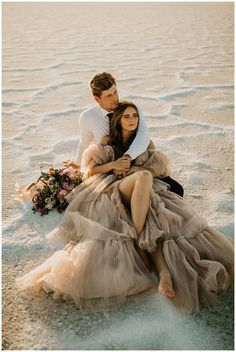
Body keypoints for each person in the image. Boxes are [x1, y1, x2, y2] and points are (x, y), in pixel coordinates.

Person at [16, 100, 233, 314]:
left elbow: (158, 168)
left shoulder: (145, 142)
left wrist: (133, 169)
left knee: (154, 215)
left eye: (135, 116)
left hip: (142, 186)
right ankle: (141, 242)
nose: (132, 120)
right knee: (143, 179)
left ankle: (163, 271)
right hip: (113, 187)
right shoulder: (108, 139)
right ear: (119, 120)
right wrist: (114, 166)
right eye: (127, 116)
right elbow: (90, 171)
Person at [73, 72, 184, 197]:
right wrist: (78, 166)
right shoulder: (88, 117)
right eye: (109, 95)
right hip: (107, 170)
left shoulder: (129, 108)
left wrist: (126, 159)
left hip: (135, 162)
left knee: (176, 190)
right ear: (97, 99)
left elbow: (143, 135)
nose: (115, 97)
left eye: (115, 92)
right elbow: (84, 143)